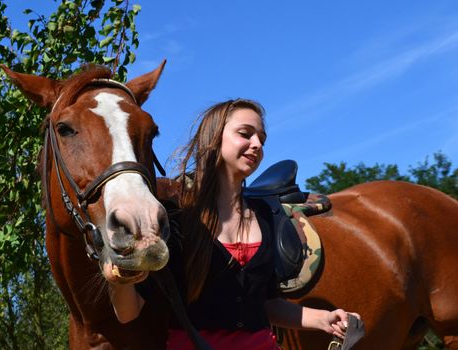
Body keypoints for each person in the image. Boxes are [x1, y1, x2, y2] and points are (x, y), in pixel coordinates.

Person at [107, 99, 360, 349]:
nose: (257, 144)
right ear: (214, 137)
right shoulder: (178, 219)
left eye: (262, 138)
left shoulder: (266, 214)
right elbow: (129, 312)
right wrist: (117, 277)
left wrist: (324, 320)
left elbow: (267, 305)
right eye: (245, 134)